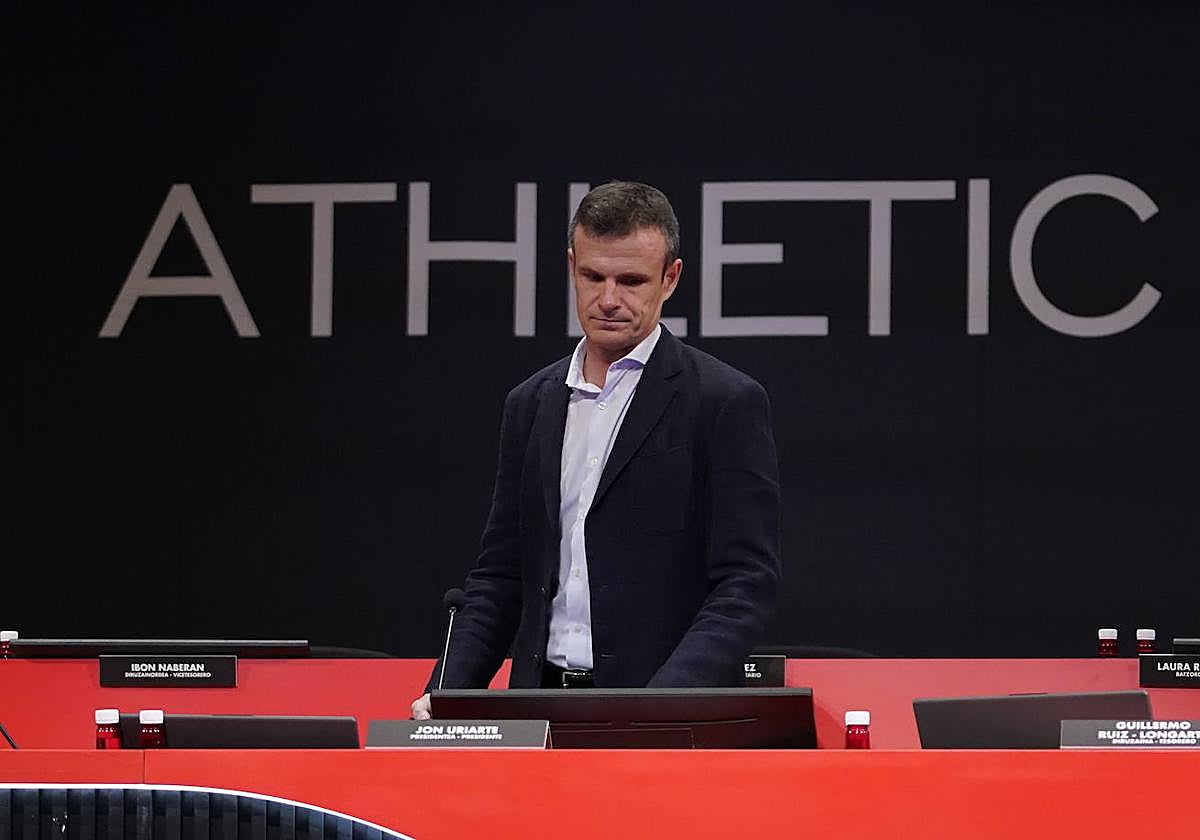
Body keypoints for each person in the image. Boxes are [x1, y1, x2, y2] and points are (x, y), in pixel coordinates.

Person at [412, 181, 779, 719]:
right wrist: (445, 695)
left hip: (658, 716)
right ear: (571, 267)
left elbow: (745, 583)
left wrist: (661, 706)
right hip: (537, 707)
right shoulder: (529, 404)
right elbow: (502, 575)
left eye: (631, 281)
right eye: (593, 277)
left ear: (670, 278)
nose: (608, 300)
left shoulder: (724, 402)